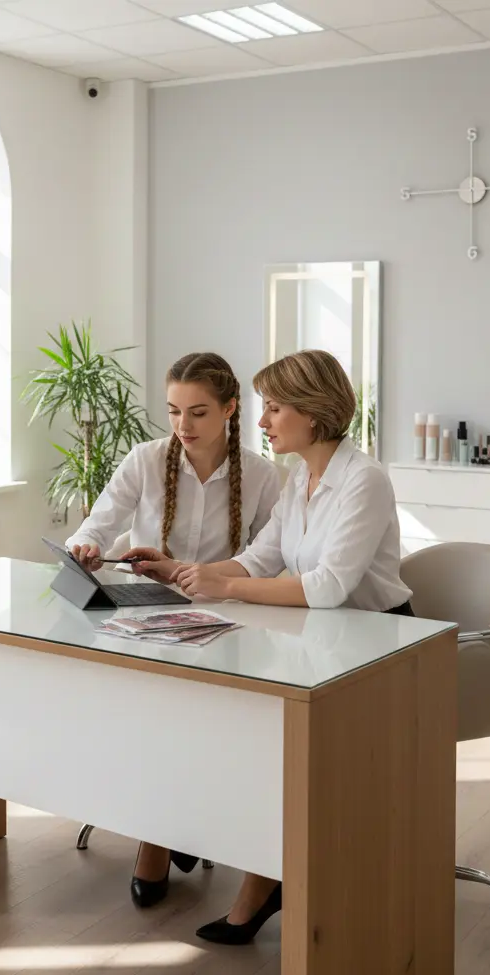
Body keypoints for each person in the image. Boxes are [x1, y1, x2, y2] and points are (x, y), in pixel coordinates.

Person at [127, 349, 412, 945]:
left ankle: (261, 880)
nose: (261, 422)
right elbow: (261, 557)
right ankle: (247, 862)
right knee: (235, 729)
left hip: (381, 646)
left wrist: (226, 587)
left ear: (314, 413)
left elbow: (328, 587)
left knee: (276, 751)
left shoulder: (364, 480)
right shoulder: (300, 479)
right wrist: (180, 570)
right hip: (323, 638)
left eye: (275, 409)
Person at [65, 351, 282, 909]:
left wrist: (207, 578)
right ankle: (159, 835)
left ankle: (174, 830)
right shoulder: (145, 460)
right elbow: (97, 524)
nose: (183, 425)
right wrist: (86, 547)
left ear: (230, 409)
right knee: (152, 714)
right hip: (148, 617)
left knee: (211, 724)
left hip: (228, 621)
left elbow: (269, 557)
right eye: (174, 411)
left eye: (199, 412)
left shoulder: (261, 475)